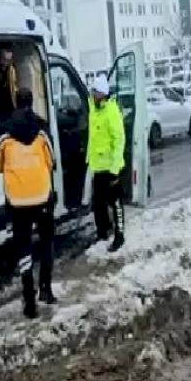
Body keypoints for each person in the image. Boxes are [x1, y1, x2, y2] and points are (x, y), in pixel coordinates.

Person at [0, 95, 56, 318]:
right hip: (41, 196)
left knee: (23, 246)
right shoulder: (41, 128)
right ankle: (45, 290)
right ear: (31, 104)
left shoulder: (4, 131)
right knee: (47, 241)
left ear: (15, 103)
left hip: (17, 201)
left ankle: (29, 301)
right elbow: (52, 161)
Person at [87, 74, 126, 252]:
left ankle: (120, 235)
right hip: (97, 167)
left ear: (103, 93)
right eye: (93, 91)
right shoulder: (94, 109)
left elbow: (119, 140)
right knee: (98, 204)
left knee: (116, 202)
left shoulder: (111, 111)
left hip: (111, 168)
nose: (93, 94)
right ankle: (102, 232)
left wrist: (115, 169)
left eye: (96, 92)